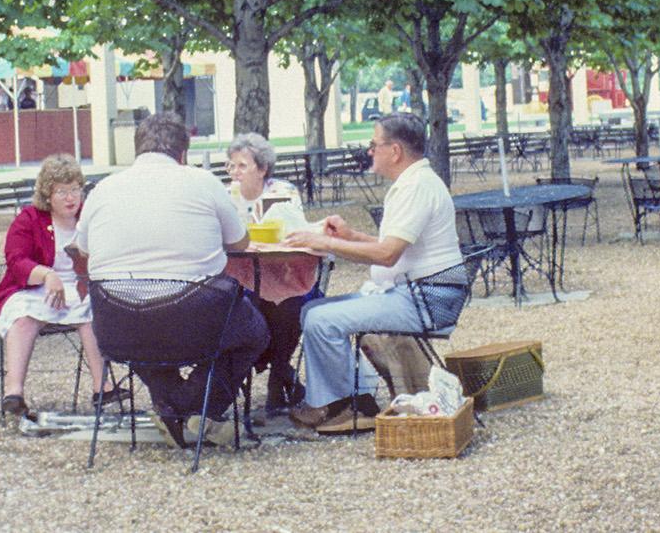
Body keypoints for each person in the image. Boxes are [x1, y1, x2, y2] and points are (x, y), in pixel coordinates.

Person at [72, 113, 265, 448]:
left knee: (144, 334)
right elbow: (239, 244)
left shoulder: (103, 189)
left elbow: (81, 249)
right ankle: (195, 407)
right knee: (253, 332)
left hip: (116, 320)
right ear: (182, 154)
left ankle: (171, 405)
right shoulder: (202, 182)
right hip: (193, 317)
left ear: (137, 151)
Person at [282, 113, 468, 432]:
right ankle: (354, 399)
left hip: (426, 299)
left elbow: (386, 254)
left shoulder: (416, 187)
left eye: (374, 145)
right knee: (313, 309)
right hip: (415, 292)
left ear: (394, 151)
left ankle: (343, 405)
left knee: (320, 319)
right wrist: (350, 237)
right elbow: (394, 245)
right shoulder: (415, 182)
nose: (370, 151)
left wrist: (322, 241)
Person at [0, 154, 123, 418]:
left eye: (75, 189)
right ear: (48, 194)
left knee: (91, 309)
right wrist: (47, 275)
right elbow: (16, 261)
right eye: (62, 191)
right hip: (33, 287)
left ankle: (102, 387)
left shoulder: (90, 217)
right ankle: (13, 393)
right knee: (23, 317)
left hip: (80, 286)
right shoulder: (29, 218)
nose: (71, 198)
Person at [223, 133, 312, 412]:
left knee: (289, 304)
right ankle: (282, 371)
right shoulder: (226, 197)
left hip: (285, 278)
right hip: (241, 280)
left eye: (242, 166)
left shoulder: (281, 193)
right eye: (231, 166)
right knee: (247, 304)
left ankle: (278, 374)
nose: (235, 173)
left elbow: (295, 235)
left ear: (262, 169)